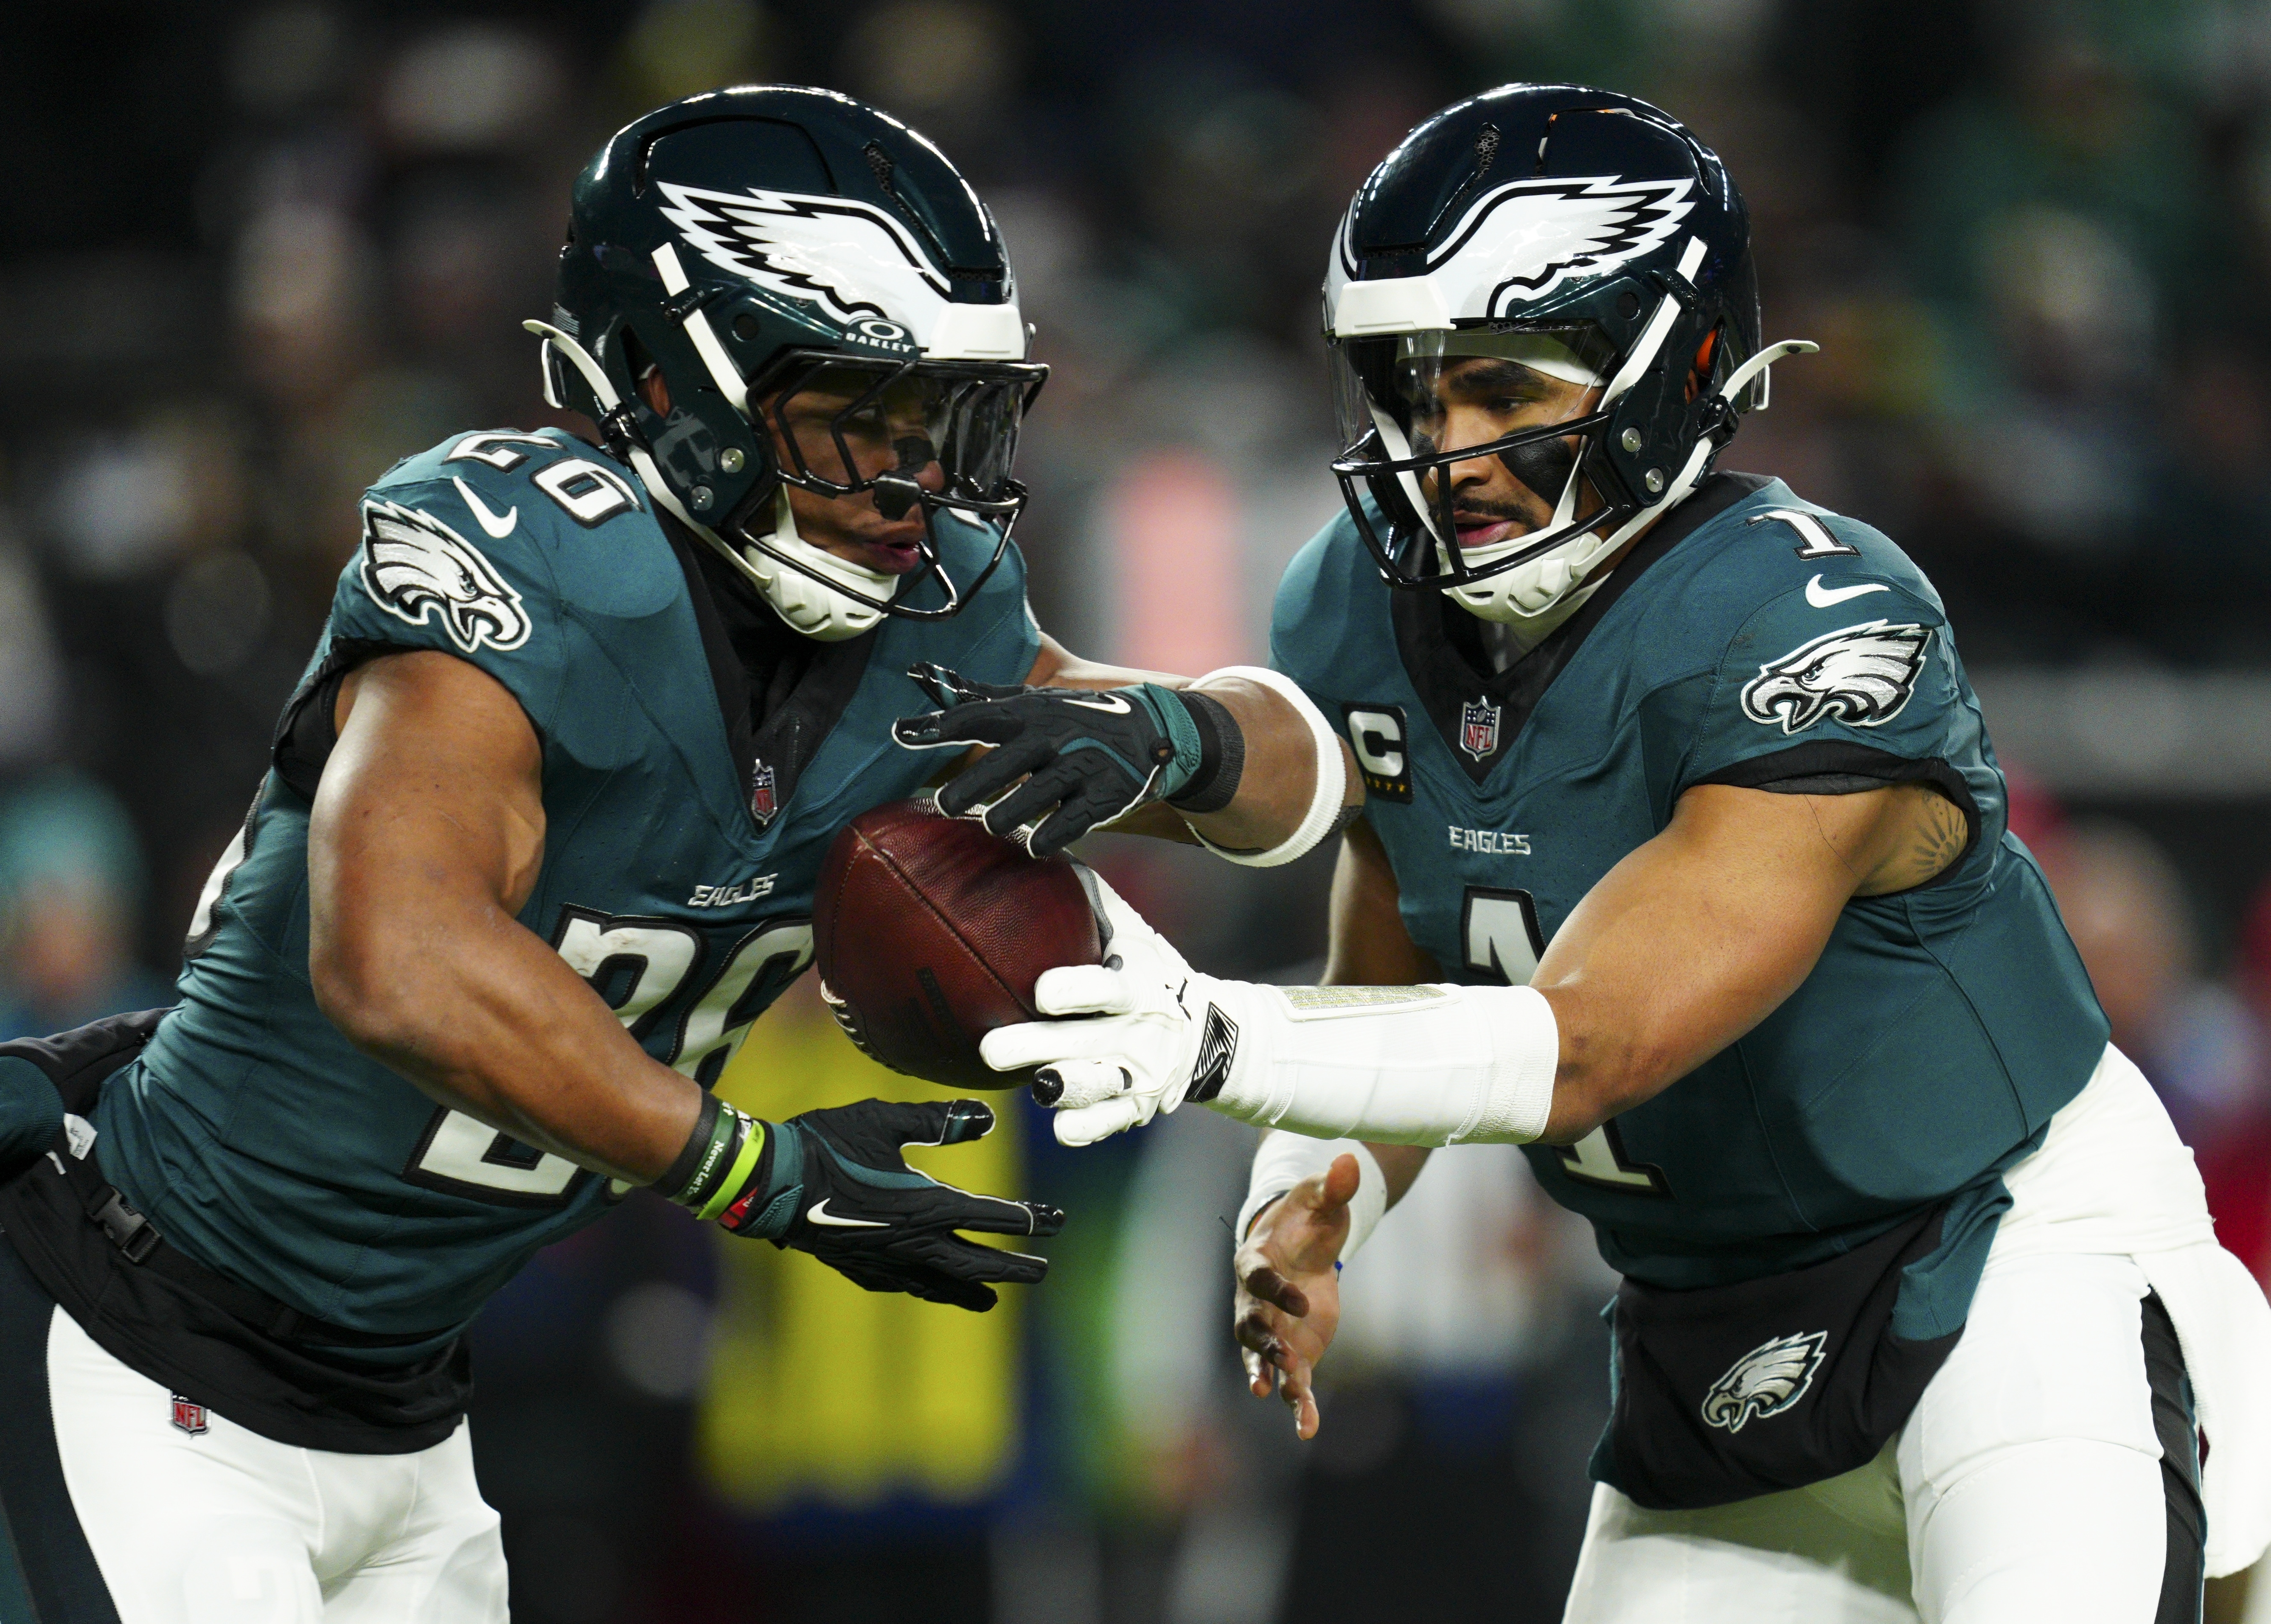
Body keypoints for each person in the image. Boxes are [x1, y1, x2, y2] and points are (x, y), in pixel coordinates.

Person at [0, 86, 1328, 1624]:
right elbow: (398, 956)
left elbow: (1308, 777)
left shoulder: (935, 620)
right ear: (666, 380)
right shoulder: (532, 558)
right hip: (139, 1344)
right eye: (855, 417)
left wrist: (1175, 736)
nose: (913, 486)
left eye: (939, 424)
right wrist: (745, 1167)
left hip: (409, 1418)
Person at [909, 84, 2271, 1622]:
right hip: (1707, 1342)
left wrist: (1213, 1035)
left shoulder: (1809, 622)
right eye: (1415, 396)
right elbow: (1404, 934)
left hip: (2003, 1275)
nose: (1450, 450)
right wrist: (1317, 1181)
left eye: (1502, 392)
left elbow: (1592, 1042)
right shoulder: (1368, 603)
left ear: (1672, 370)